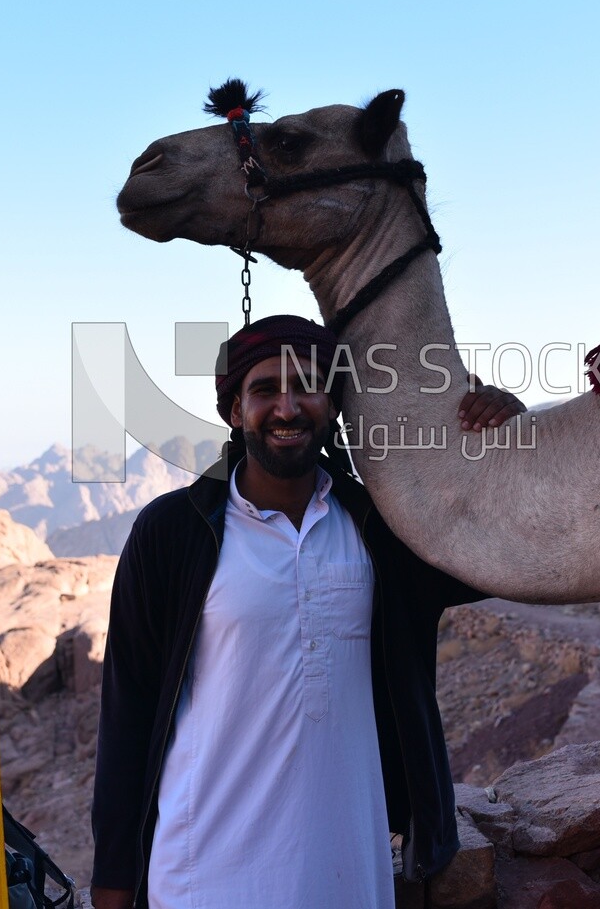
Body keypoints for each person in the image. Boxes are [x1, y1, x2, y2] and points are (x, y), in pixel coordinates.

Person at [90, 315, 523, 909]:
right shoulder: (172, 533)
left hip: (348, 867)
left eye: (308, 386)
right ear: (234, 411)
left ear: (333, 403)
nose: (288, 407)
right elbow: (129, 708)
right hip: (202, 874)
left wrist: (503, 439)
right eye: (265, 390)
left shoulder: (383, 528)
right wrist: (113, 879)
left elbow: (496, 553)